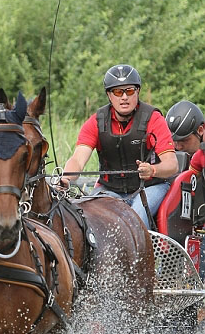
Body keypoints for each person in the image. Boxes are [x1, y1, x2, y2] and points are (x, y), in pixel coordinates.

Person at [60, 64, 178, 229]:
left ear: (138, 92)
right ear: (109, 95)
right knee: (87, 219)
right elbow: (78, 159)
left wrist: (152, 170)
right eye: (117, 92)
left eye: (129, 91)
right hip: (110, 189)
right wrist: (65, 179)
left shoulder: (154, 119)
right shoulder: (96, 122)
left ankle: (143, 254)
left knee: (133, 218)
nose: (124, 97)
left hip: (151, 186)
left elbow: (172, 165)